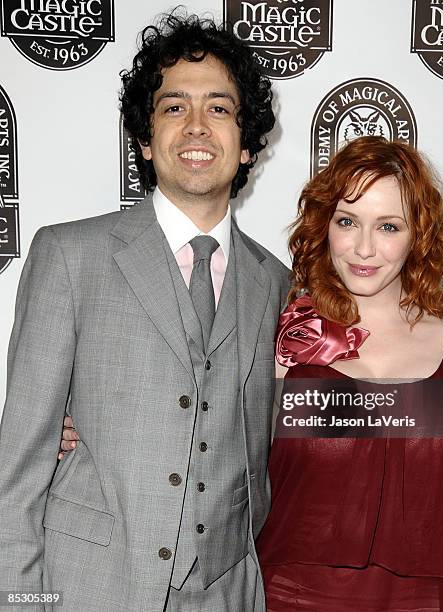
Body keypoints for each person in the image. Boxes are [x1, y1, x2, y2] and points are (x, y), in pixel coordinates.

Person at [0, 10, 289, 612]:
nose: (197, 126)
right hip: (89, 589)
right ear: (144, 140)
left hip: (228, 593)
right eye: (174, 106)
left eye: (219, 107)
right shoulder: (70, 255)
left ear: (246, 147)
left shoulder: (277, 285)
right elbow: (18, 470)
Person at [255, 136, 443, 611]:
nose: (364, 248)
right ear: (325, 225)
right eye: (348, 221)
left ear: (418, 235)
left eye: (388, 226)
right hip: (290, 600)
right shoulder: (288, 344)